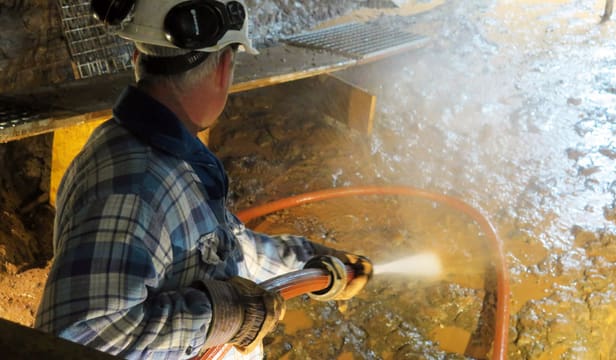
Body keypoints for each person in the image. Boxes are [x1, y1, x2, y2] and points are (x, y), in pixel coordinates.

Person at [34, 0, 372, 358]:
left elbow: (224, 252)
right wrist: (219, 317)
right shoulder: (136, 187)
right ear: (225, 67)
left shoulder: (170, 158)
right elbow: (78, 340)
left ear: (137, 58)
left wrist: (310, 262)